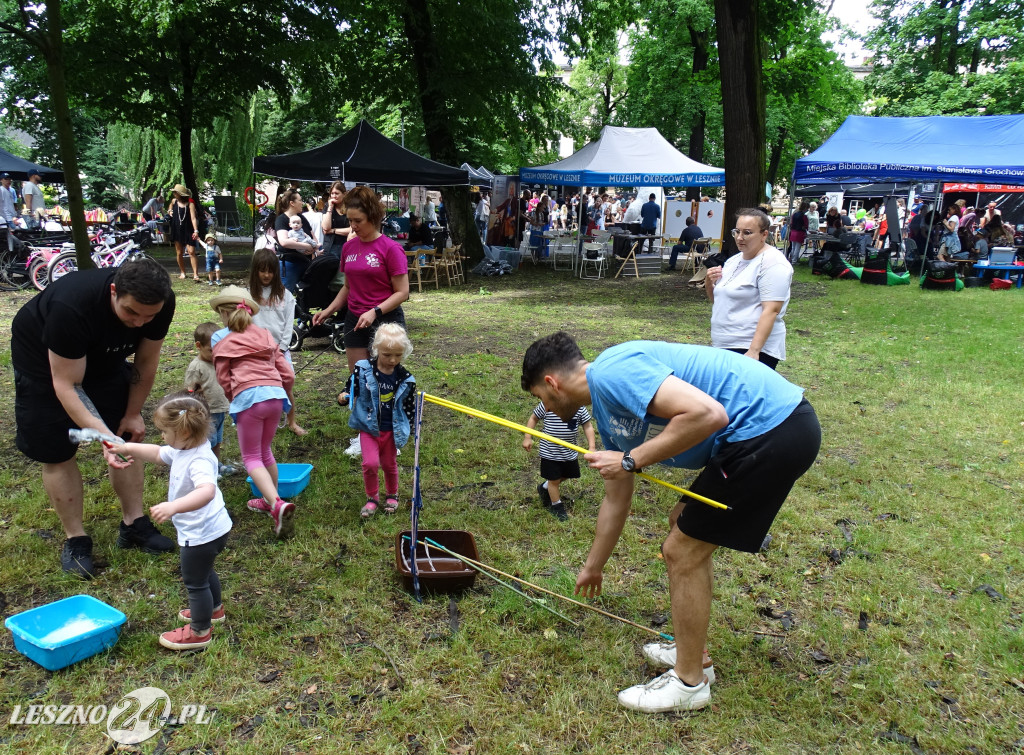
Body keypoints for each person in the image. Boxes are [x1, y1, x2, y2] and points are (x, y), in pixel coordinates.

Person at [519, 332, 821, 713]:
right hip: (752, 436)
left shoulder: (612, 371)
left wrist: (629, 459)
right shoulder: (611, 417)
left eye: (541, 398)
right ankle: (694, 652)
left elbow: (709, 415)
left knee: (682, 550)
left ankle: (689, 682)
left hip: (772, 428)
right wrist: (592, 567)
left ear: (551, 383)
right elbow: (617, 501)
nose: (545, 406)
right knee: (683, 522)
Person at [11, 257, 176, 577]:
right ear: (114, 291)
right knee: (56, 449)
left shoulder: (160, 302)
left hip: (105, 361)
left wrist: (131, 415)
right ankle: (76, 538)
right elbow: (67, 384)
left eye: (149, 316)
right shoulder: (71, 306)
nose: (140, 323)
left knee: (128, 438)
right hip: (45, 368)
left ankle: (134, 525)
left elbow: (146, 360)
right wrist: (103, 436)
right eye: (131, 312)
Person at [110, 389, 232, 650]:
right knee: (205, 570)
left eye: (165, 432)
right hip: (215, 528)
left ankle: (199, 632)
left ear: (185, 433)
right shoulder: (185, 449)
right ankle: (214, 610)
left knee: (195, 582)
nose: (162, 437)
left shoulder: (198, 459)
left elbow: (206, 491)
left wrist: (173, 507)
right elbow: (156, 453)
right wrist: (127, 447)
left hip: (201, 533)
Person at [209, 285, 296, 539]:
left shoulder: (221, 338)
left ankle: (277, 505)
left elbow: (223, 378)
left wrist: (233, 398)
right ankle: (272, 499)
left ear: (224, 314)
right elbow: (287, 373)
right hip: (275, 397)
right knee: (265, 450)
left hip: (249, 399)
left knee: (250, 457)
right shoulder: (265, 335)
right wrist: (284, 394)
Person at [312, 186, 410, 409]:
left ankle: (389, 433)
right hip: (355, 319)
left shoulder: (391, 249)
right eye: (350, 220)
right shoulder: (349, 247)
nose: (353, 226)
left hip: (386, 321)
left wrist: (375, 311)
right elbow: (348, 287)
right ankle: (362, 434)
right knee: (360, 379)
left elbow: (402, 292)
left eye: (358, 221)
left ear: (373, 217)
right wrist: (328, 311)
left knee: (386, 381)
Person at [704, 209, 792, 370]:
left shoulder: (773, 263)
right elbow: (719, 302)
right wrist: (709, 283)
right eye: (737, 231)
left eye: (747, 233)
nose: (739, 237)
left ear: (764, 234)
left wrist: (754, 351)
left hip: (750, 347)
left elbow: (771, 310)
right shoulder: (733, 261)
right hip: (725, 344)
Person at [347, 324, 417, 517]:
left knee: (389, 464)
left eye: (398, 355)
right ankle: (372, 497)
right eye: (387, 355)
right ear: (376, 350)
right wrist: (344, 395)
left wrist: (409, 427)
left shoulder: (406, 379)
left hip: (390, 430)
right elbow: (351, 386)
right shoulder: (363, 370)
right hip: (369, 428)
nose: (392, 360)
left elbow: (409, 406)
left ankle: (392, 495)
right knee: (370, 464)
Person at [249, 248, 305, 436]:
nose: (266, 275)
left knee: (287, 383)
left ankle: (291, 422)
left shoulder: (285, 295)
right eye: (262, 270)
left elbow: (289, 324)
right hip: (255, 351)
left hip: (279, 350)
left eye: (270, 270)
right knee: (257, 388)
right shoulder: (247, 295)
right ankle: (256, 420)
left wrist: (281, 348)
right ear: (255, 270)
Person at [523, 401, 596, 521]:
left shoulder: (578, 407)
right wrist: (527, 437)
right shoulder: (548, 404)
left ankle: (544, 487)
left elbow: (587, 426)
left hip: (569, 451)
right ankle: (556, 505)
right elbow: (534, 418)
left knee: (568, 474)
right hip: (550, 452)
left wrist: (592, 447)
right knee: (554, 480)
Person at [185, 323, 232, 469]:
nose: (216, 354)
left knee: (217, 440)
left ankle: (216, 465)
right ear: (199, 345)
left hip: (219, 410)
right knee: (207, 442)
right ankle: (208, 469)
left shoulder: (218, 362)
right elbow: (189, 390)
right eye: (212, 350)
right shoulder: (196, 367)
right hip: (206, 412)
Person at [274, 188, 318, 291]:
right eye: (300, 200)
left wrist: (313, 248)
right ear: (292, 203)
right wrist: (307, 246)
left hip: (306, 263)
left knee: (304, 297)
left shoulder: (302, 218)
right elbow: (284, 242)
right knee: (285, 295)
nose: (302, 203)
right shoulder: (281, 219)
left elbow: (313, 238)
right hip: (290, 264)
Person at [168, 184, 201, 281]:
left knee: (191, 252)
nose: (173, 194)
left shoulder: (190, 204)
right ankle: (183, 272)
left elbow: (193, 218)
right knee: (179, 252)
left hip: (188, 229)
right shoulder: (174, 201)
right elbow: (170, 206)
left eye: (175, 192)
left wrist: (196, 230)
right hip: (177, 229)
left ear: (180, 194)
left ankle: (195, 274)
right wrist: (169, 211)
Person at [321, 181, 351, 257]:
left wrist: (333, 230)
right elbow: (325, 227)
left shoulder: (350, 207)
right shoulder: (327, 206)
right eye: (332, 193)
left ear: (344, 194)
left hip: (346, 245)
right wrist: (330, 208)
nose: (334, 196)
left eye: (337, 193)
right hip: (330, 246)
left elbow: (352, 229)